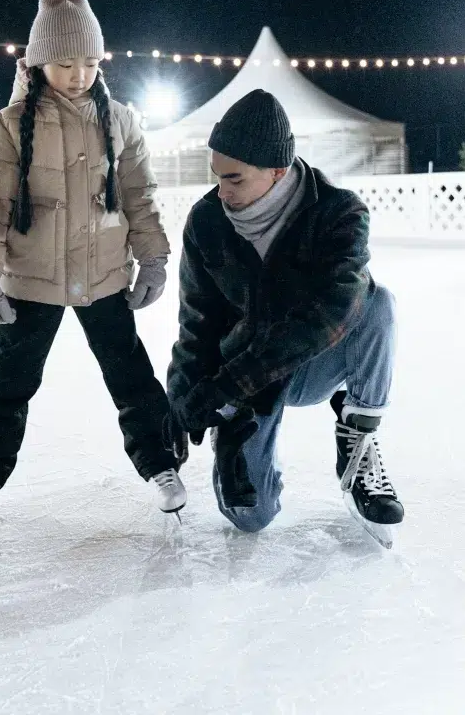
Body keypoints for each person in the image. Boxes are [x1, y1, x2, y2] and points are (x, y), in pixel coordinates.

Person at [0, 0, 185, 532]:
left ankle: (162, 466)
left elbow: (140, 196)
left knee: (130, 375)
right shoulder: (11, 127)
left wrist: (152, 259)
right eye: (64, 64)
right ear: (38, 64)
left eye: (88, 62)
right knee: (8, 381)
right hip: (30, 278)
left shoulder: (120, 120)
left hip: (104, 274)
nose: (79, 75)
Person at [167, 89, 404, 542]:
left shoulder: (337, 212)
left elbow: (334, 312)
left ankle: (358, 439)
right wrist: (180, 397)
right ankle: (237, 438)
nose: (223, 191)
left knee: (377, 303)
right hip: (247, 375)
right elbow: (196, 321)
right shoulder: (206, 222)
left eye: (235, 179)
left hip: (308, 362)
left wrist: (230, 384)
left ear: (277, 170)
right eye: (217, 176)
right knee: (249, 517)